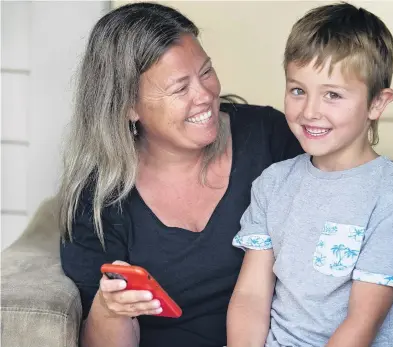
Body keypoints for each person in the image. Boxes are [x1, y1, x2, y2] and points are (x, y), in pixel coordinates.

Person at [58, 2, 303, 347]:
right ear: (129, 107)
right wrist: (110, 310)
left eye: (205, 72)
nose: (205, 96)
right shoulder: (98, 200)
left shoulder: (269, 137)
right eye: (179, 89)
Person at [227, 3, 393, 347]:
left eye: (332, 94)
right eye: (298, 90)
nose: (309, 111)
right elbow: (250, 297)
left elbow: (361, 325)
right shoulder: (273, 184)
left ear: (377, 104)